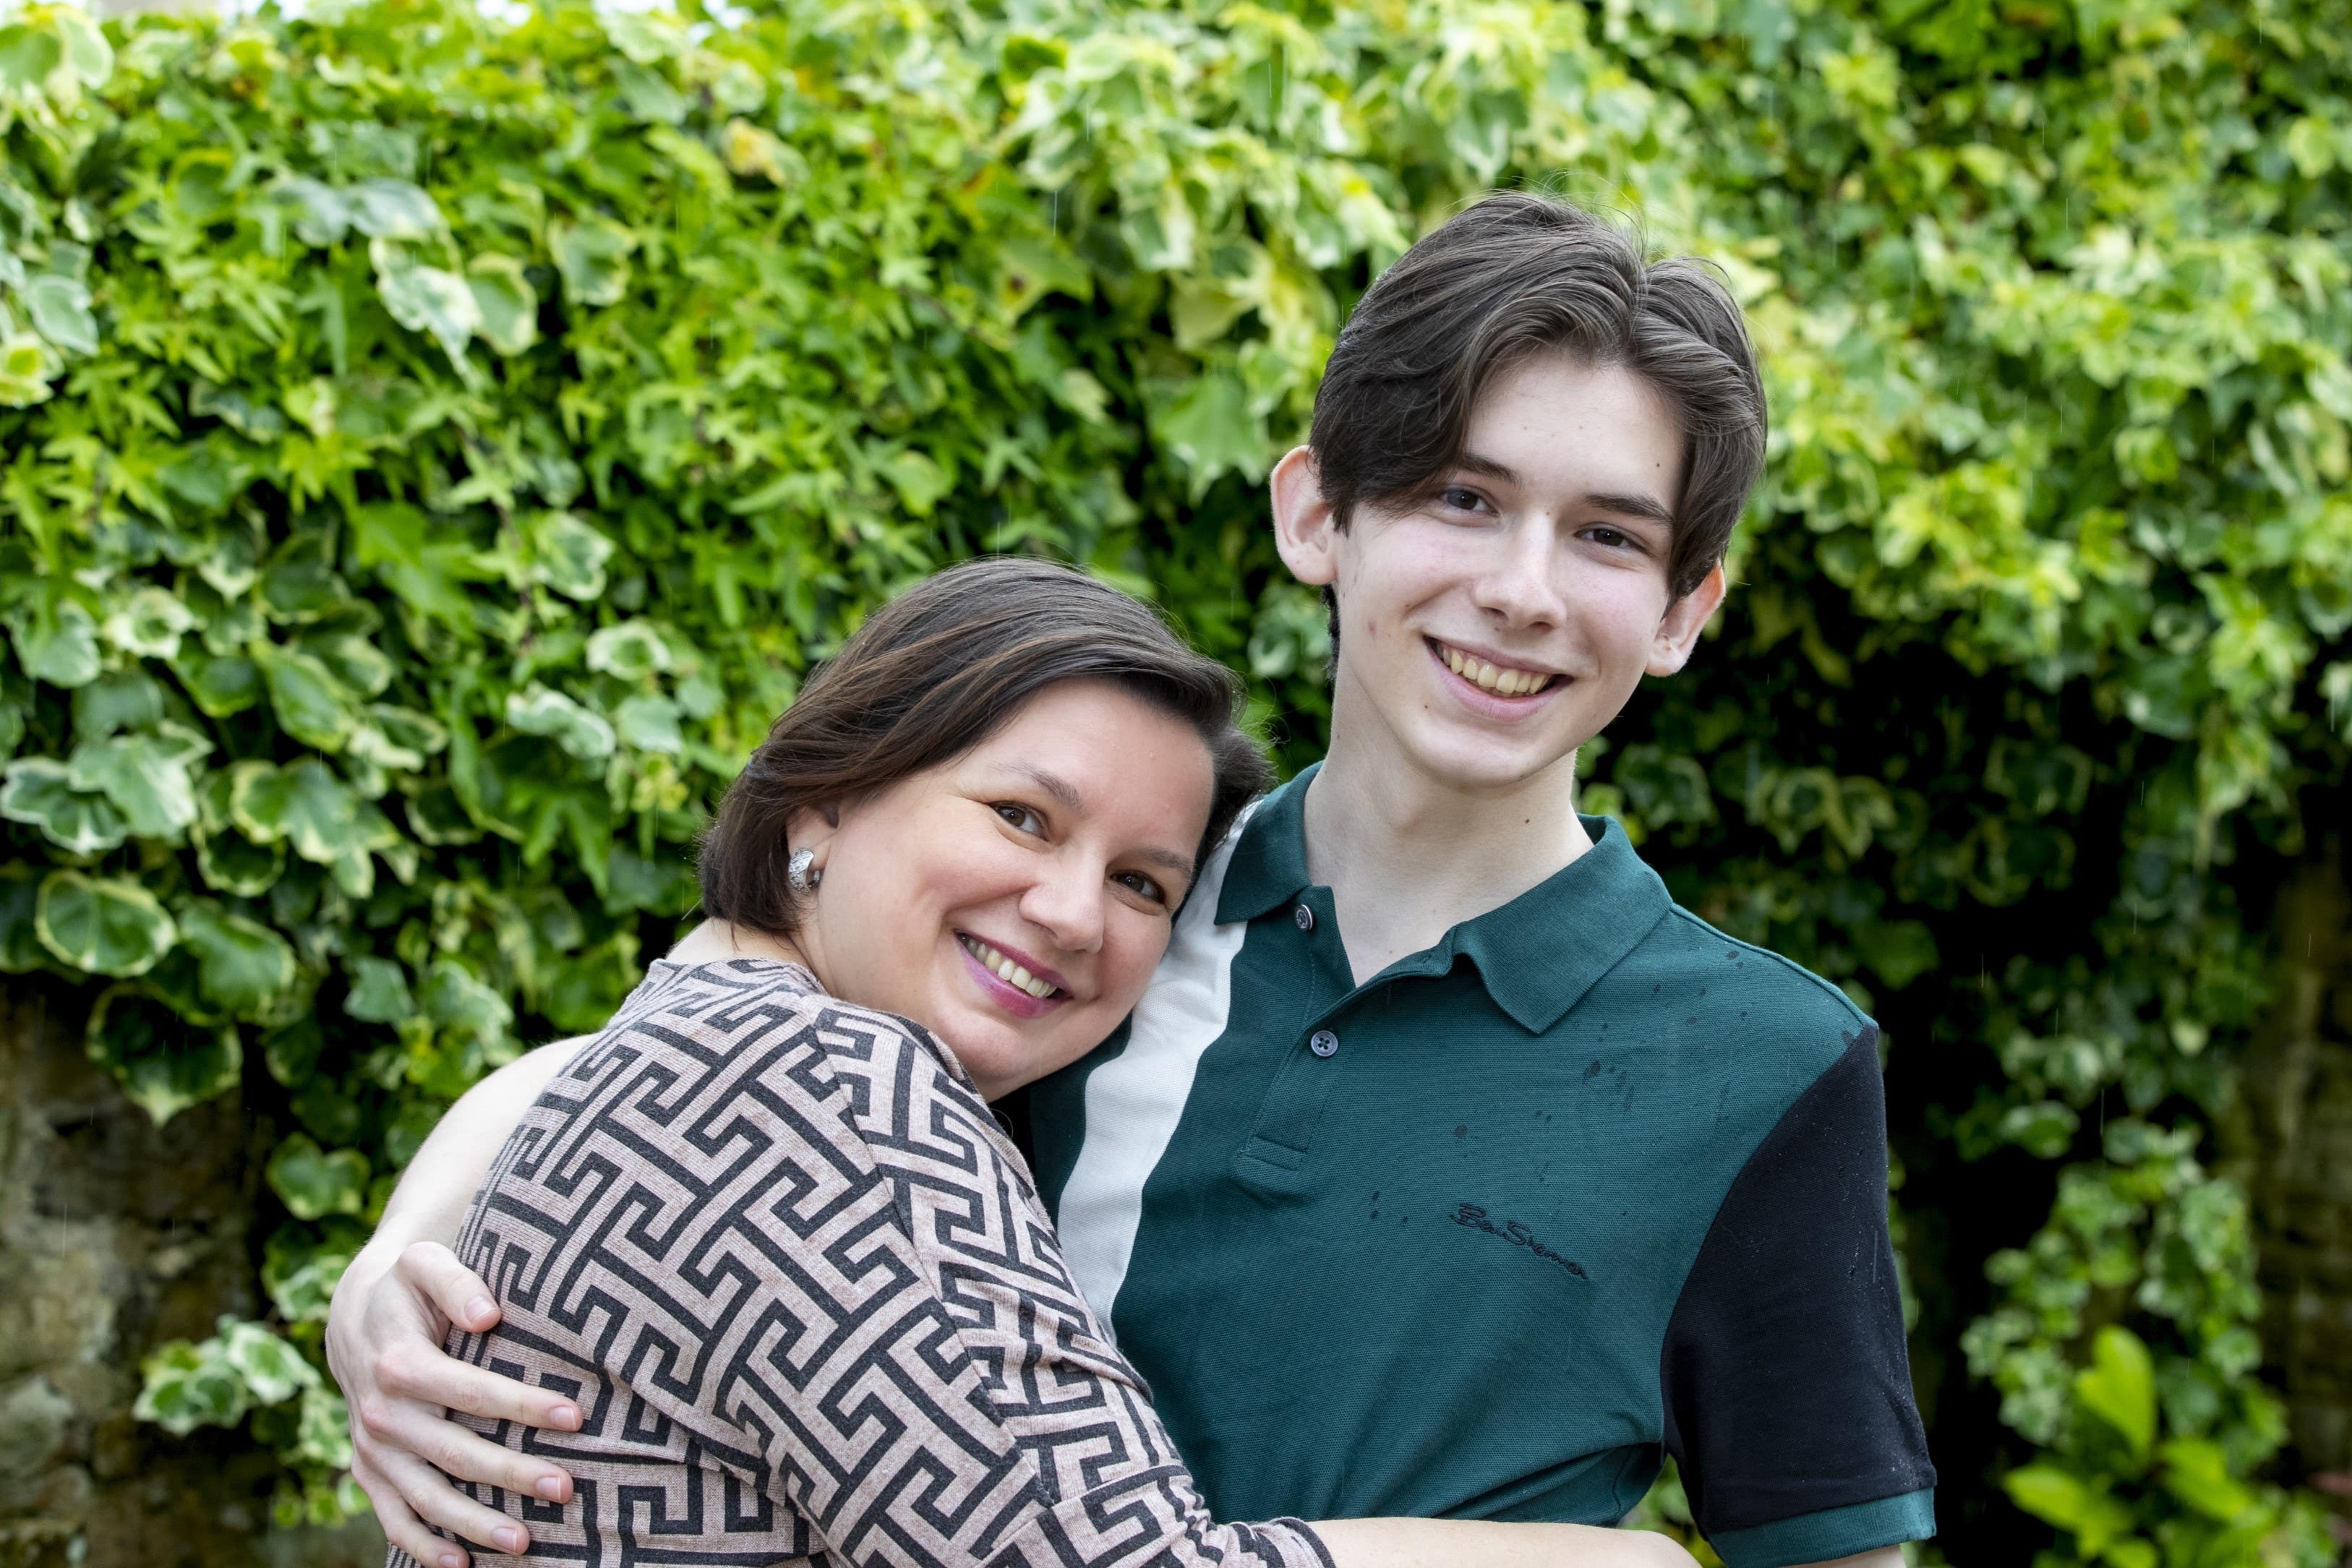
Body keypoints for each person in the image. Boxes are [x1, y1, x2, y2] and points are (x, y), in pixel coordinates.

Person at [334, 192, 1937, 1567]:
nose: (1520, 590)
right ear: (1320, 513)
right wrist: (392, 1263)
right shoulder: (1088, 933)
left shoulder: (1762, 1066)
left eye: (1604, 536)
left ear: (1680, 609)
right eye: (1463, 496)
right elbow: (711, 1040)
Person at [350, 557, 1693, 1568]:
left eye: (1143, 883)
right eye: (1019, 814)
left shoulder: (696, 1035)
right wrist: (1601, 1558)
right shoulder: (838, 1098)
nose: (1067, 910)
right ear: (829, 795)